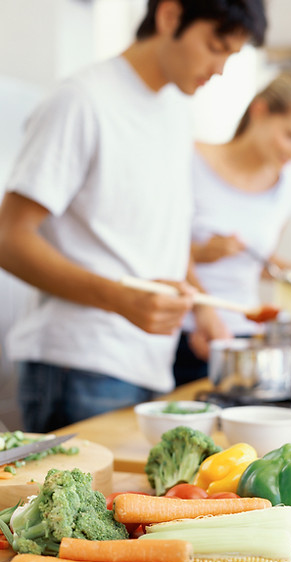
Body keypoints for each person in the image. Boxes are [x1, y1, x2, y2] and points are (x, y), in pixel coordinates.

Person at [0, 0, 267, 432]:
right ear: (169, 16)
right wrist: (118, 299)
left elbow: (164, 234)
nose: (219, 69)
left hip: (146, 365)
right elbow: (9, 239)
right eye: (215, 47)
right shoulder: (82, 101)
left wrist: (201, 310)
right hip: (78, 366)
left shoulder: (176, 111)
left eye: (231, 56)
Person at [174, 69, 291, 386]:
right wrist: (201, 255)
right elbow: (158, 247)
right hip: (186, 332)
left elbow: (261, 262)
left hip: (245, 334)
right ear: (259, 111)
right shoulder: (188, 161)